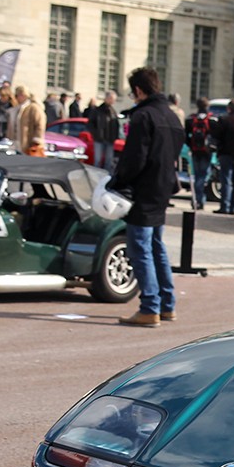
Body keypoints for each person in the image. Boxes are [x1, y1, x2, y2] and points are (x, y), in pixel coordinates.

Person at [111, 67, 183, 327]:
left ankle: (150, 307)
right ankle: (167, 304)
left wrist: (118, 181)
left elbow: (134, 158)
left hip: (143, 189)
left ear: (139, 90)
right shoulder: (172, 116)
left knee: (140, 248)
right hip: (163, 188)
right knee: (156, 246)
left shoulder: (143, 116)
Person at [184, 98, 216, 207]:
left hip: (195, 150)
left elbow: (185, 134)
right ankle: (199, 199)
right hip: (206, 151)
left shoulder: (191, 119)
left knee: (197, 174)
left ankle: (198, 199)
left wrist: (190, 145)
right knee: (203, 175)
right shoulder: (211, 119)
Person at [86, 90, 120, 173]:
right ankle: (96, 176)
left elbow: (116, 125)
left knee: (109, 161)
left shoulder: (113, 111)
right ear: (107, 98)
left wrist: (115, 137)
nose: (113, 101)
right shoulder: (97, 110)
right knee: (97, 160)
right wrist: (95, 134)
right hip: (99, 139)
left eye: (114, 99)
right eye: (112, 99)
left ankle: (107, 177)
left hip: (110, 139)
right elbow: (90, 124)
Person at [9, 85, 46, 156]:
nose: (16, 98)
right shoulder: (17, 108)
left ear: (23, 95)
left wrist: (36, 141)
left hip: (29, 144)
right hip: (17, 144)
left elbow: (40, 124)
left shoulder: (33, 107)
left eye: (17, 96)